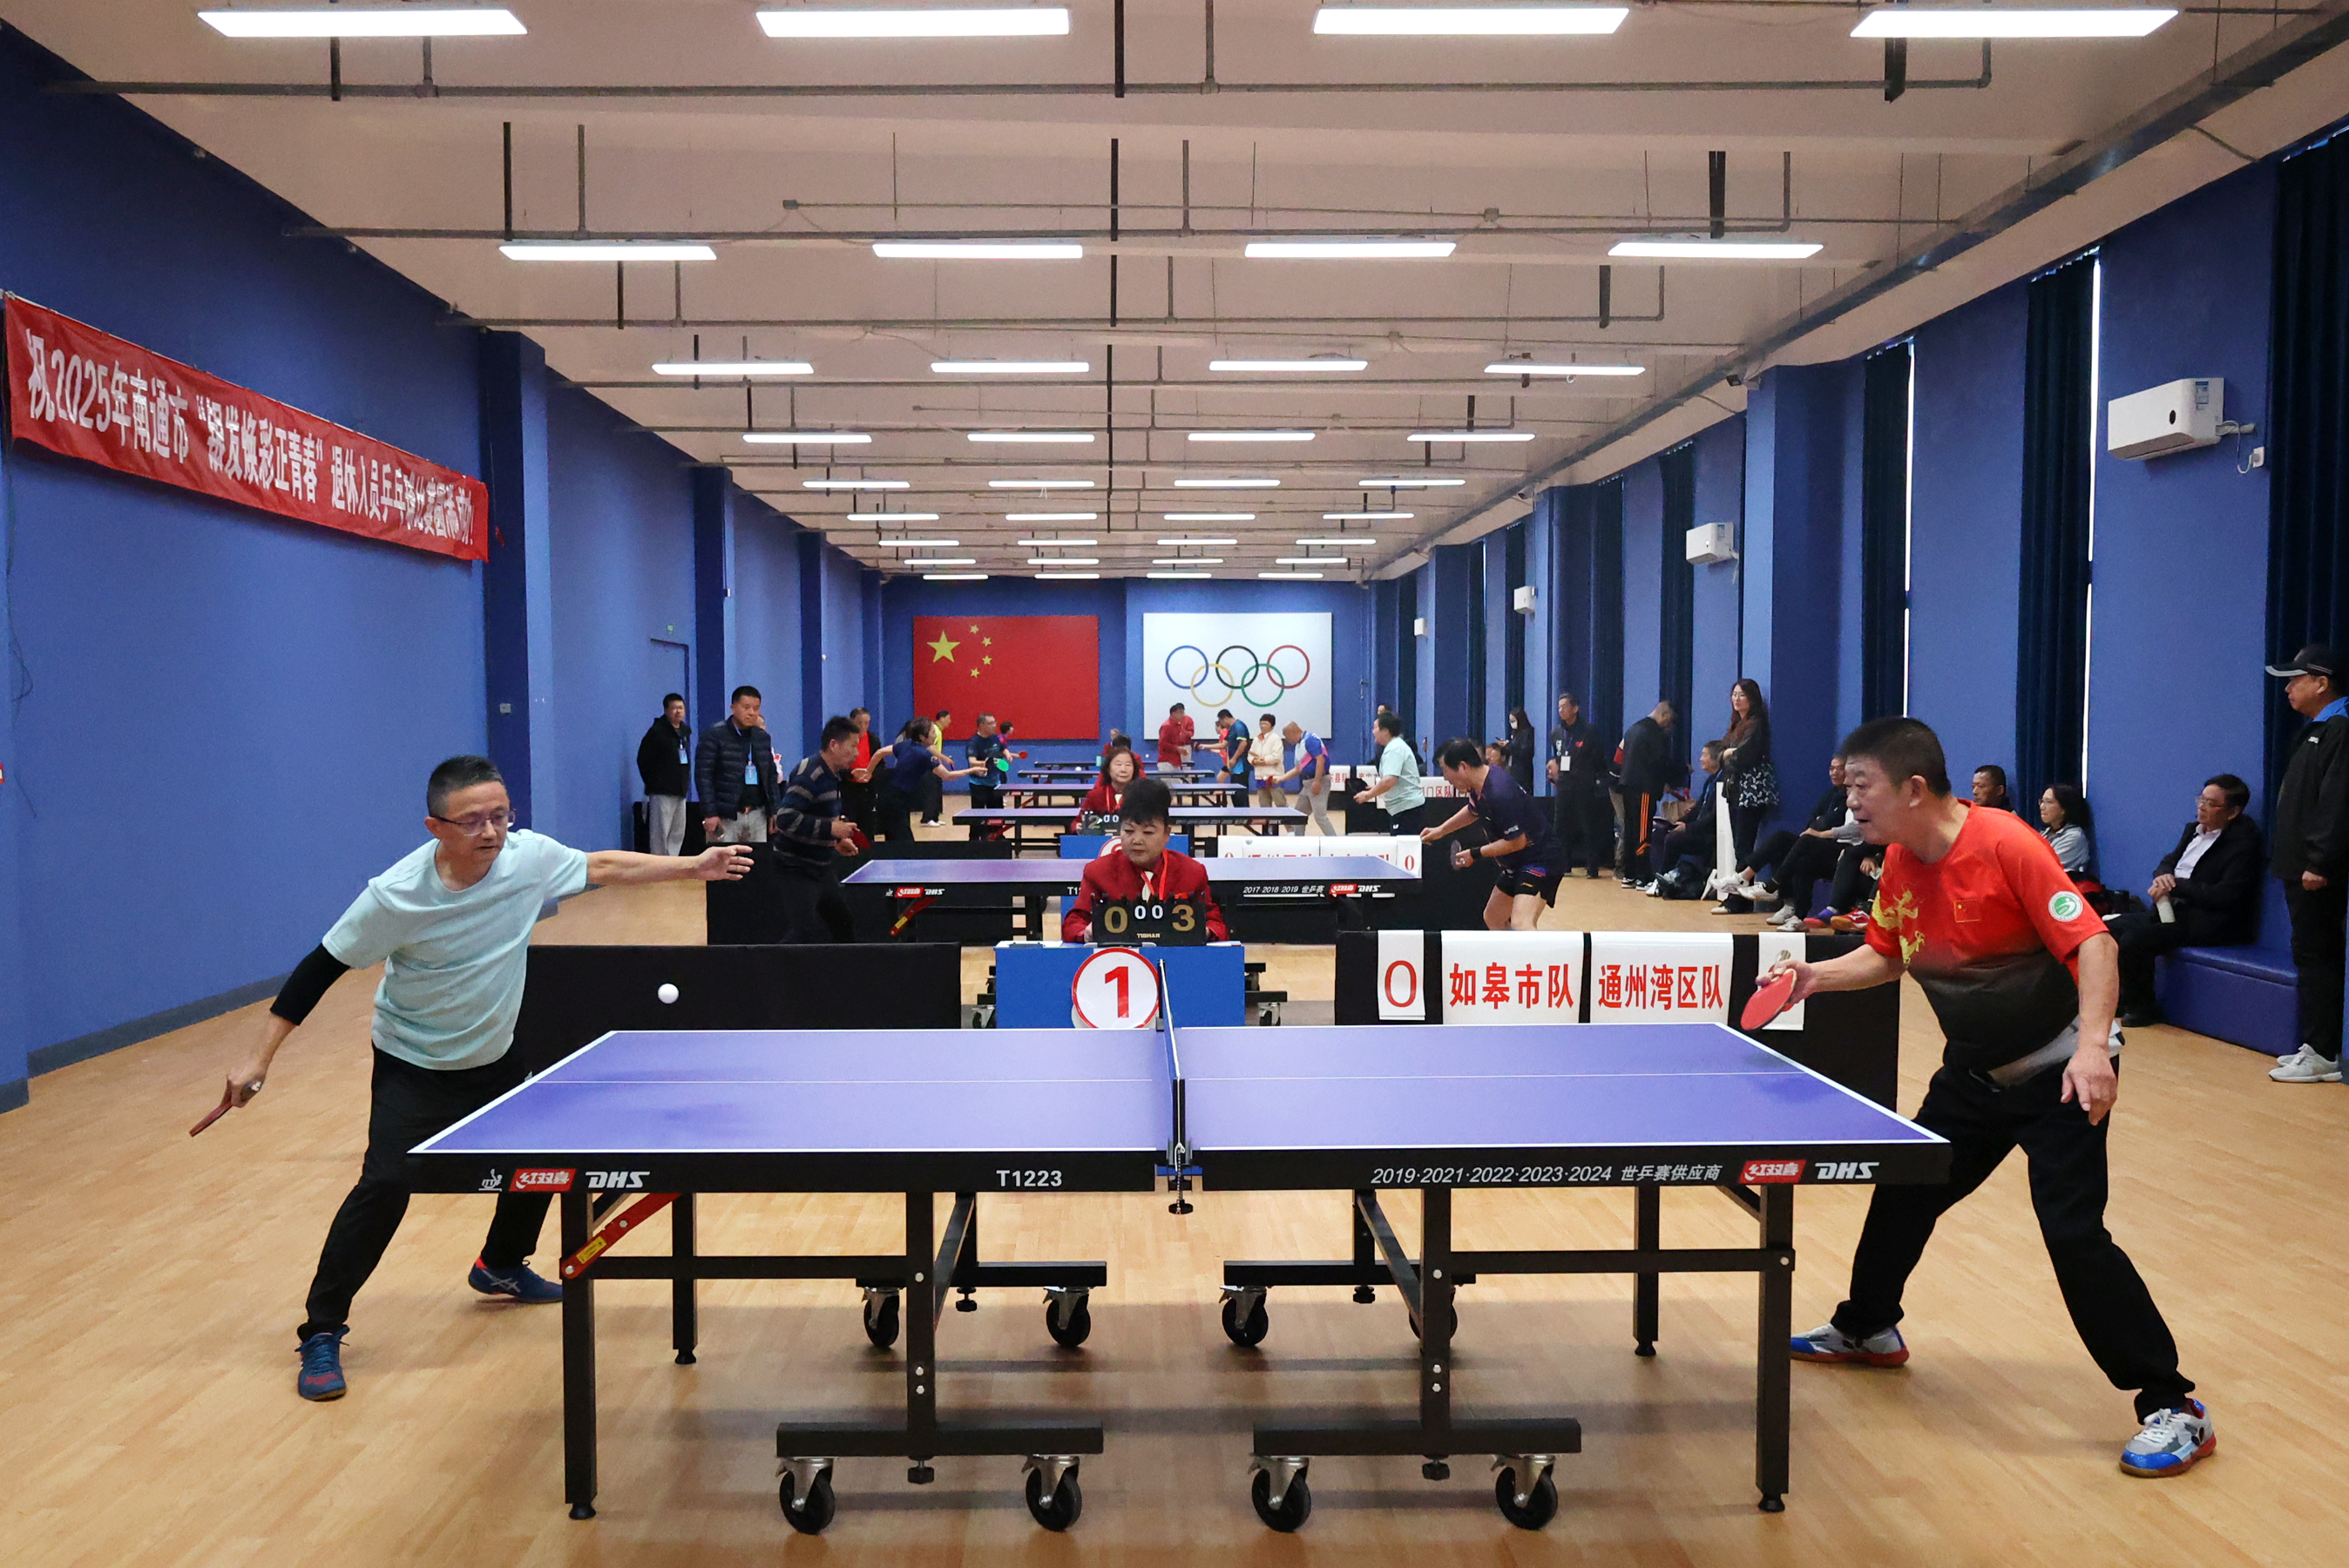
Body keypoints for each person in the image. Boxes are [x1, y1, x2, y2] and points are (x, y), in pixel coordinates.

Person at [220, 754, 754, 1402]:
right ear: (435, 828)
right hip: (414, 1063)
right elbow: (319, 969)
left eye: (501, 815)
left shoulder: (526, 860)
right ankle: (322, 1330)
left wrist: (693, 867)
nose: (492, 831)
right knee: (386, 1185)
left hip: (496, 1053)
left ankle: (500, 1263)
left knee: (544, 1159)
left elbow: (603, 866)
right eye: (472, 821)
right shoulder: (395, 896)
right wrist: (258, 1058)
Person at [1764, 717, 2210, 1480]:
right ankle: (1868, 1329)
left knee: (2072, 1233)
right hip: (1973, 1074)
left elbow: (2096, 944)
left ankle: (2173, 1404)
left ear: (1913, 788)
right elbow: (1887, 952)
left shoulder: (2007, 844)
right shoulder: (1900, 859)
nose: (1851, 801)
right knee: (1905, 1190)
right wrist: (1815, 977)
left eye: (1861, 786)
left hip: (2060, 1072)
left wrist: (2094, 1049)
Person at [2106, 775, 2264, 1028]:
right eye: (2201, 799)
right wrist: (2163, 877)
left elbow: (2226, 895)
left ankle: (2143, 1007)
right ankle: (2121, 997)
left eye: (2211, 803)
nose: (2202, 806)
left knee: (2135, 941)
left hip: (2208, 920)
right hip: (2171, 909)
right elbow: (2168, 861)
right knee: (2108, 929)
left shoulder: (2243, 844)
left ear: (2233, 812)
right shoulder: (2193, 830)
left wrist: (2177, 885)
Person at [2264, 643, 2349, 1085]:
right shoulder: (2318, 730)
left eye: (2295, 680)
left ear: (2321, 683)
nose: (2288, 689)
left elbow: (2336, 803)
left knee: (2319, 957)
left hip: (2315, 872)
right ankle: (2314, 1046)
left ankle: (2323, 1054)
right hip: (2299, 867)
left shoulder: (2341, 729)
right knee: (2309, 955)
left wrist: (2319, 861)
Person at [1422, 736, 1566, 930]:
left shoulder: (1499, 793)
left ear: (1462, 767)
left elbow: (1516, 842)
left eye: (1445, 770)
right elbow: (1473, 811)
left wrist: (1475, 853)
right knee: (1494, 917)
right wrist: (1441, 830)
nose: (1445, 777)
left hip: (1540, 859)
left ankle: (1537, 952)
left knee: (1521, 924)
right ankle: (1513, 952)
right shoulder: (1479, 784)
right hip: (1516, 861)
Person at [1061, 776, 1229, 943]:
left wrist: (1206, 932)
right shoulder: (1098, 872)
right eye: (1128, 831)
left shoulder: (1192, 872)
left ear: (1167, 834)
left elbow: (1216, 923)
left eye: (1148, 832)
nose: (1137, 840)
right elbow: (1073, 923)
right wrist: (1085, 932)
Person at [1736, 754, 1862, 929]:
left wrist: (1821, 833)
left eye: (1839, 769)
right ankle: (1797, 915)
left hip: (1850, 851)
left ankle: (1772, 885)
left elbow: (1855, 828)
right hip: (1836, 846)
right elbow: (1815, 819)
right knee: (1794, 850)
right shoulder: (1832, 795)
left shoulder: (1859, 801)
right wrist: (1819, 827)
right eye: (1831, 768)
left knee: (1806, 841)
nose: (1835, 773)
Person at [770, 716, 865, 943]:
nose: (856, 753)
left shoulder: (833, 775)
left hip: (821, 866)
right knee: (804, 932)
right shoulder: (810, 774)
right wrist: (831, 829)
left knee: (843, 923)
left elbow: (817, 813)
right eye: (853, 746)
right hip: (796, 866)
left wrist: (836, 839)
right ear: (834, 745)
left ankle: (846, 966)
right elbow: (785, 818)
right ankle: (769, 965)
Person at [695, 686, 783, 845]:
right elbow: (703, 776)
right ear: (733, 708)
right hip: (726, 815)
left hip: (757, 814)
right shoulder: (714, 735)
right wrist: (710, 813)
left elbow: (771, 776)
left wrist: (775, 811)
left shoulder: (762, 738)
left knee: (757, 859)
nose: (752, 713)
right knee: (724, 859)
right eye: (746, 707)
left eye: (756, 708)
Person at [871, 718, 975, 842]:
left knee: (893, 842)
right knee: (905, 845)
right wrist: (971, 770)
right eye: (932, 732)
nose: (935, 735)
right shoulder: (924, 755)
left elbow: (880, 752)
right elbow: (948, 776)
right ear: (922, 737)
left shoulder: (906, 744)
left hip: (888, 798)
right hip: (896, 802)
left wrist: (868, 772)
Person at [1547, 693, 1611, 879]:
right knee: (1561, 826)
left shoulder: (1588, 731)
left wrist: (1595, 779)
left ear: (1575, 708)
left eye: (1565, 706)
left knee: (1587, 827)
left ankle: (1592, 867)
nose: (1561, 710)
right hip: (1564, 785)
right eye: (1559, 707)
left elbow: (1598, 759)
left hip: (1584, 785)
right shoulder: (1556, 733)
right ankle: (1563, 865)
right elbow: (1557, 756)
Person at [1616, 700, 1678, 885]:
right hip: (1645, 788)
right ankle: (1643, 875)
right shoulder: (1655, 734)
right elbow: (1660, 763)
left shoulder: (1633, 729)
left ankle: (1629, 873)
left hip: (1627, 785)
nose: (1668, 726)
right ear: (1664, 715)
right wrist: (1679, 773)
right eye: (1669, 721)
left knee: (1630, 829)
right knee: (1643, 831)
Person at [1719, 678, 1777, 867]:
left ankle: (1743, 883)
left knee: (1744, 845)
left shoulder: (1756, 724)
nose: (1736, 699)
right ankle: (1740, 882)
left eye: (1742, 695)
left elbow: (1744, 756)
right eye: (1734, 695)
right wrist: (1725, 755)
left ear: (1752, 698)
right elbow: (1719, 751)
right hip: (1735, 790)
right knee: (1738, 845)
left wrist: (1728, 756)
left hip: (1750, 792)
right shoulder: (1736, 724)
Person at [635, 693, 693, 855]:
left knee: (677, 832)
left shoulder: (684, 733)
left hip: (680, 790)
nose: (678, 712)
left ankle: (672, 863)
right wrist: (654, 782)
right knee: (660, 833)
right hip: (661, 791)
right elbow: (643, 760)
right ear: (666, 710)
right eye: (674, 708)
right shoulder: (657, 732)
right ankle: (659, 863)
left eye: (681, 708)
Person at [1356, 710, 1426, 832]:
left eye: (1375, 728)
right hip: (1405, 809)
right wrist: (1377, 788)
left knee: (1404, 844)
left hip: (1406, 810)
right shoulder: (1396, 746)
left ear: (1385, 731)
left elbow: (1389, 780)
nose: (1373, 731)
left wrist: (1368, 795)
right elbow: (1396, 779)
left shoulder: (1394, 749)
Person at [1276, 720, 1337, 835]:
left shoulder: (1310, 740)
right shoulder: (1300, 745)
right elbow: (1298, 769)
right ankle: (1298, 841)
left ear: (1291, 733)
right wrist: (1281, 778)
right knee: (1299, 814)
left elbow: (1320, 760)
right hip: (1308, 783)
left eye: (1287, 737)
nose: (1288, 741)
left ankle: (1334, 841)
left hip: (1318, 781)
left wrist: (1317, 781)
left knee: (1320, 817)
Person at [2040, 783, 2097, 880]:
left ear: (2064, 808)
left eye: (2049, 802)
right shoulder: (2044, 833)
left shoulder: (2074, 837)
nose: (2042, 807)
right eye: (2041, 801)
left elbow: (2045, 867)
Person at [1076, 745, 1142, 827]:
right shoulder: (1095, 796)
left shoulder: (1142, 796)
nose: (1123, 770)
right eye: (1118, 765)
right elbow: (1078, 821)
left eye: (1128, 765)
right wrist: (1079, 826)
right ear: (1108, 770)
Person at [841, 706, 880, 839]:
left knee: (867, 828)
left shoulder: (873, 739)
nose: (863, 727)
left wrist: (871, 773)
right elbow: (836, 767)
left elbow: (880, 765)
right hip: (848, 790)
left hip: (867, 790)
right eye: (859, 723)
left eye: (866, 723)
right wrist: (851, 774)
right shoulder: (843, 740)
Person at [966, 713, 1011, 815]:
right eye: (991, 723)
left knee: (997, 816)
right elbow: (972, 762)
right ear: (982, 725)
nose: (994, 725)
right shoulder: (974, 742)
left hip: (995, 783)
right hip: (979, 784)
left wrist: (1007, 754)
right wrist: (987, 763)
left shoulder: (994, 737)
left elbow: (1002, 749)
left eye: (995, 722)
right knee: (979, 817)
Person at [921, 708, 954, 825]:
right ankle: (927, 819)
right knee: (931, 792)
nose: (950, 721)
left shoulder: (938, 731)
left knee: (936, 791)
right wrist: (945, 759)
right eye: (948, 719)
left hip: (935, 765)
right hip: (929, 766)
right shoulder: (934, 730)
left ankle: (934, 817)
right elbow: (931, 748)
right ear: (942, 718)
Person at [1249, 716, 1287, 811]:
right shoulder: (1256, 739)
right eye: (1261, 724)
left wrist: (1264, 760)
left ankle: (1288, 821)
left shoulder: (1276, 739)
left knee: (1280, 804)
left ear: (1272, 725)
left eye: (1265, 724)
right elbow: (1250, 755)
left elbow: (1277, 757)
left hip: (1274, 777)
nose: (1263, 726)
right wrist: (1254, 761)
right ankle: (1267, 822)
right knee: (1264, 806)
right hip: (1260, 777)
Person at [1215, 707, 1251, 794]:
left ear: (1225, 719)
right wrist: (1205, 746)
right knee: (1234, 794)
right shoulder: (1232, 728)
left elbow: (1243, 743)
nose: (1221, 725)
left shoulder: (1239, 726)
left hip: (1241, 766)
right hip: (1234, 766)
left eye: (1220, 721)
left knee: (1240, 794)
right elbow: (1224, 744)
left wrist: (1234, 758)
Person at [1157, 702, 1197, 774]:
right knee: (1171, 780)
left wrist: (1179, 749)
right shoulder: (1167, 726)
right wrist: (1177, 749)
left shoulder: (1177, 725)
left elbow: (1190, 734)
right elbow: (1162, 743)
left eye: (1183, 712)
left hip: (1175, 761)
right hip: (1167, 761)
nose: (1183, 715)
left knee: (1182, 777)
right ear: (1173, 714)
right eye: (1180, 713)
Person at [1503, 708, 1536, 794]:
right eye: (1510, 721)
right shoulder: (1514, 733)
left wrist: (1509, 745)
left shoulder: (1528, 732)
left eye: (1513, 721)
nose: (1512, 723)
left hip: (1524, 769)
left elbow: (1525, 751)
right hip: (1513, 767)